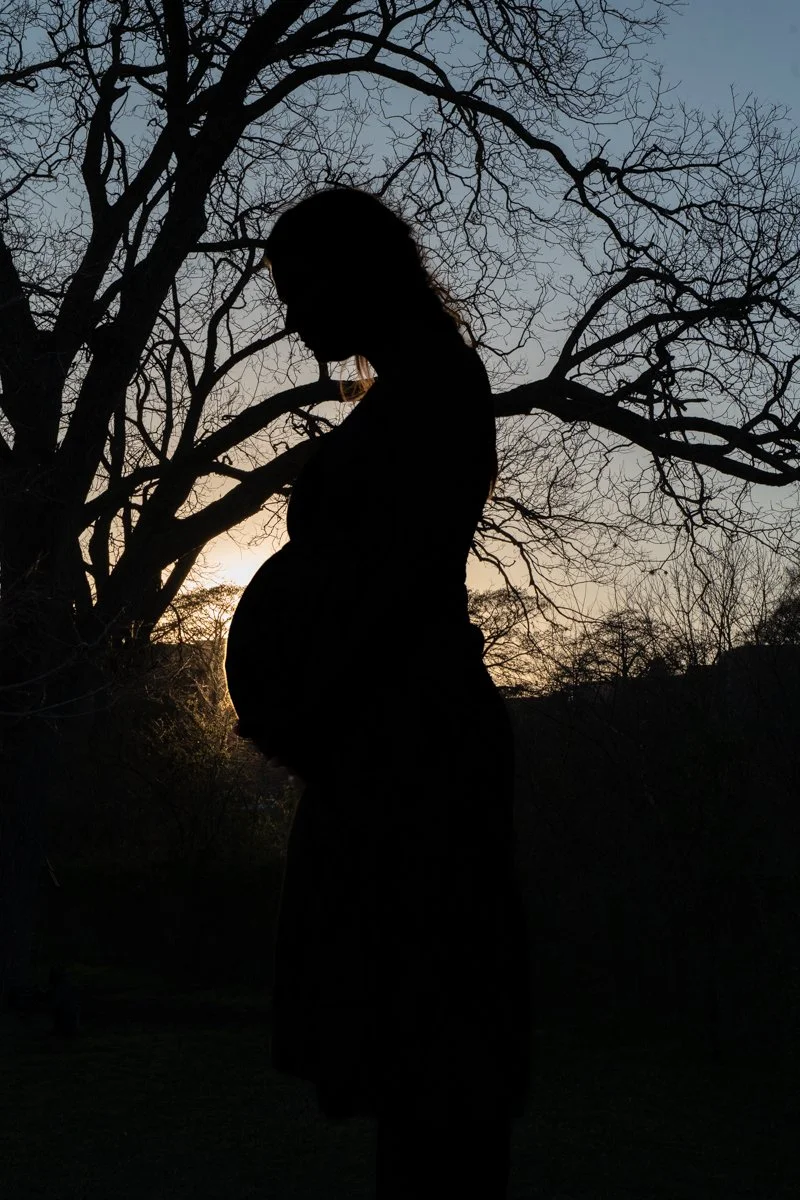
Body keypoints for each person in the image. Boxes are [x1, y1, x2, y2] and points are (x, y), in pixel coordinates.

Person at [224, 186, 532, 1199]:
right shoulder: (408, 387)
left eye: (297, 288)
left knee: (433, 1058)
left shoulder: (436, 385)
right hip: (383, 746)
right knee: (410, 1061)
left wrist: (308, 711)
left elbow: (392, 584)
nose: (291, 316)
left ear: (354, 272)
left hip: (414, 756)